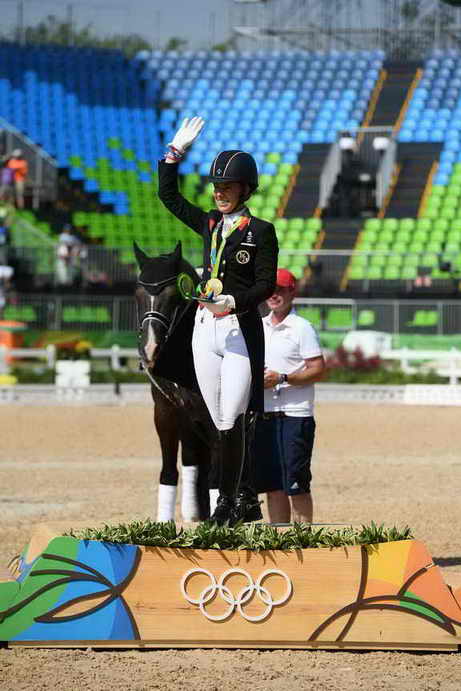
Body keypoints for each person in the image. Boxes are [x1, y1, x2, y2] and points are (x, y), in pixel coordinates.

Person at [158, 116, 278, 525]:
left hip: (237, 331)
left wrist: (234, 300)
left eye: (227, 186)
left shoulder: (261, 231)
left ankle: (230, 502)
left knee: (233, 417)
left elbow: (265, 284)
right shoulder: (209, 223)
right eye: (216, 186)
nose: (220, 192)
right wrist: (174, 154)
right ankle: (238, 499)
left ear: (245, 189)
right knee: (216, 419)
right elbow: (168, 197)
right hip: (203, 331)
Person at [254, 268, 325, 523]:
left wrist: (282, 378)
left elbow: (317, 369)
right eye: (270, 290)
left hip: (296, 414)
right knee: (273, 487)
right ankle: (280, 541)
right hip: (265, 415)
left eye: (280, 290)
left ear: (292, 292)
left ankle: (303, 540)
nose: (274, 295)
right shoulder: (258, 327)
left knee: (296, 485)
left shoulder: (302, 328)